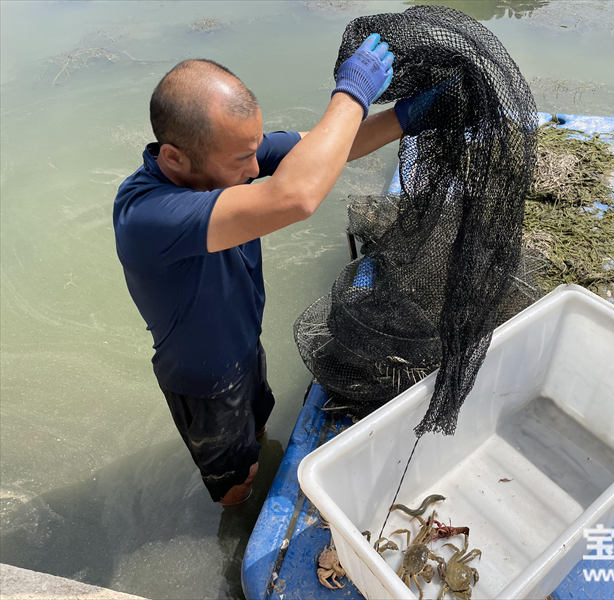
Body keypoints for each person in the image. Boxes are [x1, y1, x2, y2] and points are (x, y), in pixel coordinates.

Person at [114, 34, 416, 505]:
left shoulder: (222, 158)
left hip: (243, 347)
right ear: (174, 157)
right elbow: (295, 196)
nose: (256, 166)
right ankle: (237, 511)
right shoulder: (149, 216)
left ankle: (253, 449)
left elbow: (327, 148)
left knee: (258, 426)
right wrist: (352, 92)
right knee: (237, 477)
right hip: (205, 381)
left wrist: (406, 117)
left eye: (256, 149)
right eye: (242, 160)